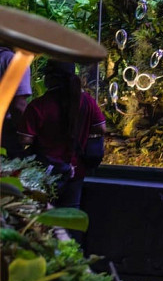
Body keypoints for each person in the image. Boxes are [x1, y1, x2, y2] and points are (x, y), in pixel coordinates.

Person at [18, 59, 105, 219]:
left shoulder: (38, 106)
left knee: (43, 216)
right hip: (77, 170)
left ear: (51, 78)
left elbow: (25, 139)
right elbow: (101, 128)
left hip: (46, 172)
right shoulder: (87, 101)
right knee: (71, 215)